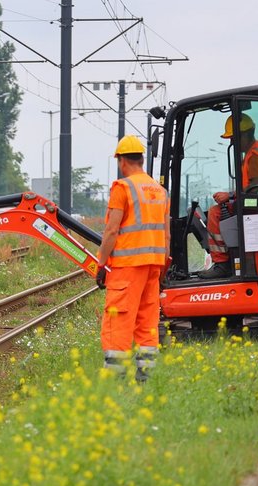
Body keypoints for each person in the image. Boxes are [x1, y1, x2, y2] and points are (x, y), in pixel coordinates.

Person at [95, 135, 170, 382]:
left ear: (122, 161)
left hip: (127, 267)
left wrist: (102, 263)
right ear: (141, 159)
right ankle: (146, 377)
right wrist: (162, 268)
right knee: (147, 319)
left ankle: (114, 381)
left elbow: (112, 230)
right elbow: (166, 235)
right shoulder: (160, 191)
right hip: (154, 266)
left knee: (119, 318)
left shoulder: (123, 188)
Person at [199, 113, 258, 278]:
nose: (231, 142)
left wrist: (229, 196)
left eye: (233, 137)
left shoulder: (255, 157)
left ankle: (223, 264)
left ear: (244, 135)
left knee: (215, 213)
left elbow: (256, 188)